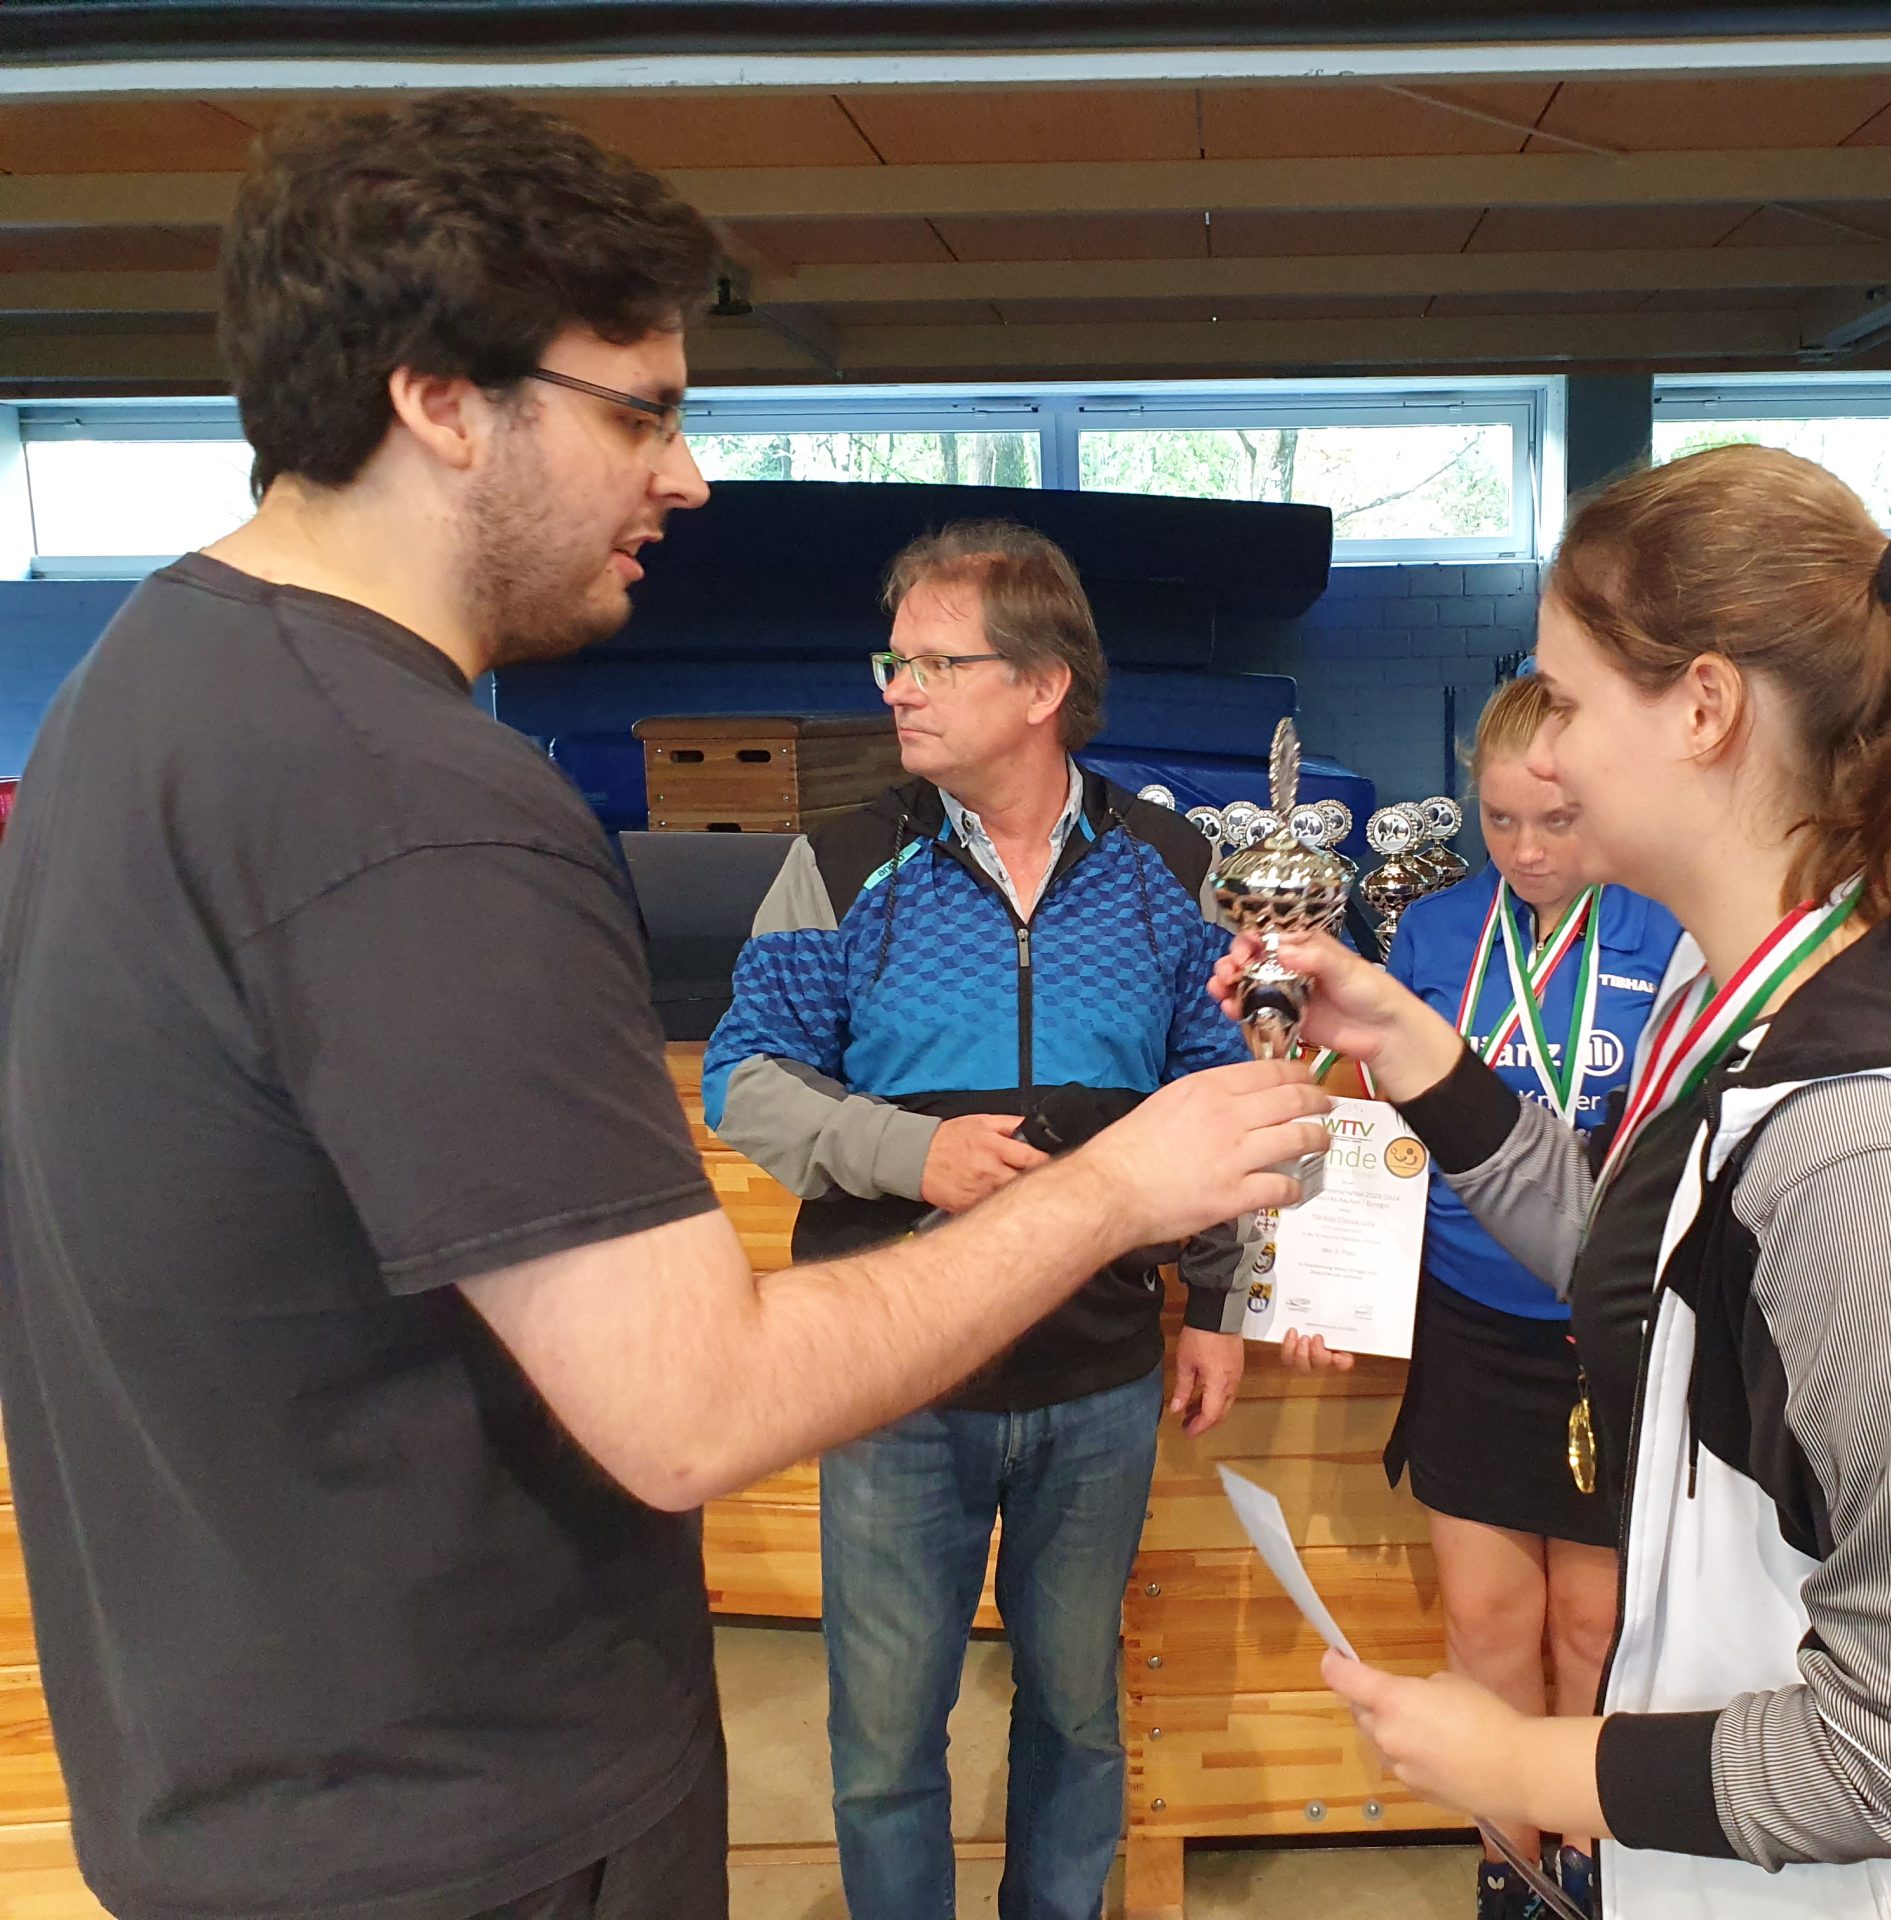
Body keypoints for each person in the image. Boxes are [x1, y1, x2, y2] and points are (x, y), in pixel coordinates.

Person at [0, 95, 1327, 1920]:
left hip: (271, 1780)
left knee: (1069, 1713)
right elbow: (691, 1404)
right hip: (466, 1821)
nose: (686, 477)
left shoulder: (143, 693)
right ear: (439, 399)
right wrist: (1109, 1190)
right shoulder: (424, 806)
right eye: (641, 411)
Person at [1221, 450, 1891, 1918]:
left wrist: (1533, 1762)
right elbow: (1647, 1267)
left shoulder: (1863, 1153)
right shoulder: (1740, 1000)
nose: (1542, 757)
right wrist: (1409, 1045)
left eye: (1565, 700)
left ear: (1706, 708)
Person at [701, 521, 1256, 1920]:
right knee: (887, 1740)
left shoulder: (1169, 864)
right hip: (891, 1380)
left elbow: (1219, 1093)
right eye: (893, 660)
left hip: (1098, 1379)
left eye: (938, 663)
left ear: (1043, 685)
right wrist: (914, 1152)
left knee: (1076, 1717)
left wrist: (1221, 1301)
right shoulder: (840, 860)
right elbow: (745, 1077)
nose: (900, 688)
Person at [1362, 676, 1680, 1920]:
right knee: (1488, 1616)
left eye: (1557, 820)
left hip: (1610, 1326)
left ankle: (1596, 1864)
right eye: (1500, 820)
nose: (1529, 850)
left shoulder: (1669, 930)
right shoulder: (1435, 935)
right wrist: (1332, 1287)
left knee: (1596, 1625)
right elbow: (1388, 1135)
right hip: (1470, 1318)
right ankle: (1510, 1869)